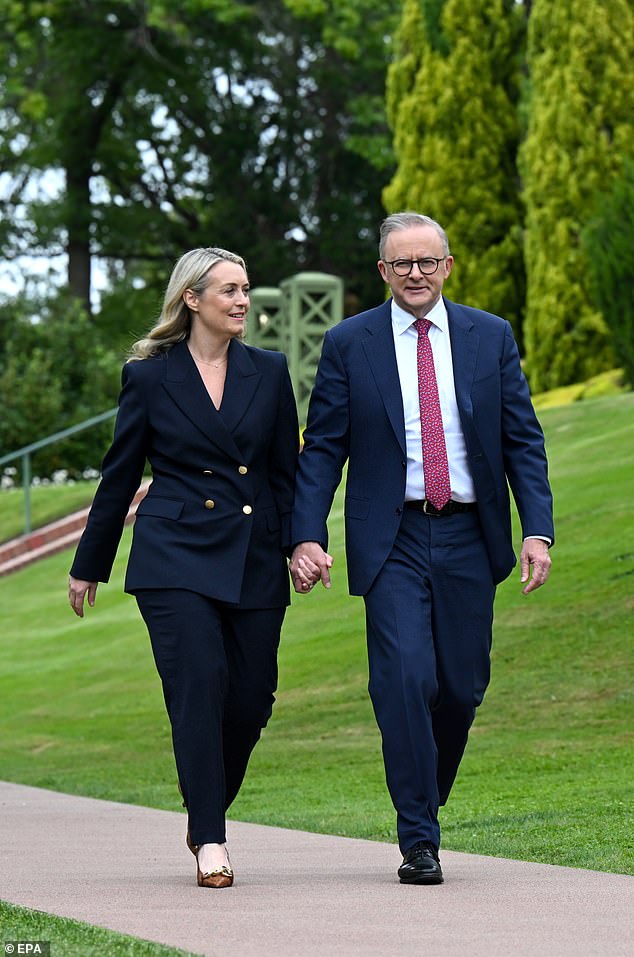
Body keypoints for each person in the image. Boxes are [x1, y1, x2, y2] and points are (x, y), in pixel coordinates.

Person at [290, 212, 553, 885]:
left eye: (426, 262)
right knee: (406, 679)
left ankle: (424, 799)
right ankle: (419, 837)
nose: (415, 273)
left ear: (447, 266)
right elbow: (323, 446)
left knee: (462, 687)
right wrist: (307, 532)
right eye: (401, 263)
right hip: (393, 536)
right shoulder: (351, 342)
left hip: (470, 532)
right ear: (383, 271)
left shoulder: (489, 336)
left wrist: (536, 527)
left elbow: (522, 438)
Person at [69, 247, 299, 888]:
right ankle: (213, 841)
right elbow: (120, 476)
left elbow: (287, 473)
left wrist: (300, 543)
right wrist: (91, 562)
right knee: (199, 684)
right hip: (174, 554)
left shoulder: (270, 371)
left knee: (252, 699)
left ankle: (203, 805)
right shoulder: (149, 376)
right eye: (229, 290)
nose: (242, 301)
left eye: (246, 289)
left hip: (254, 552)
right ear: (192, 299)